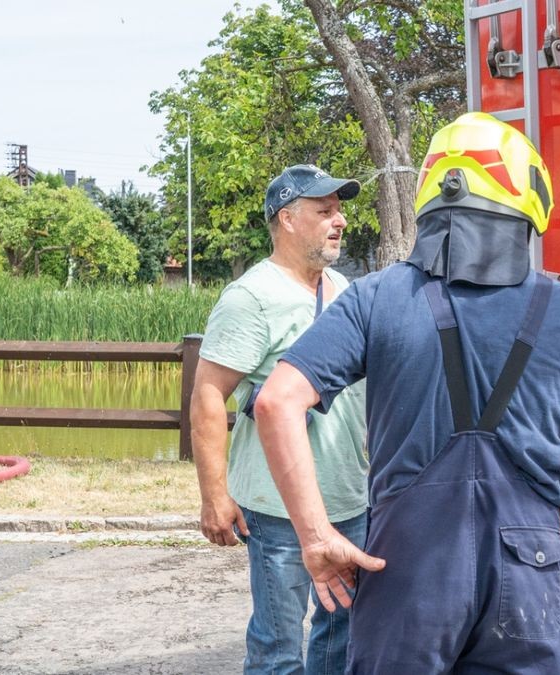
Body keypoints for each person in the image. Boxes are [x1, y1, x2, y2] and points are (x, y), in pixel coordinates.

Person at [253, 113, 560, 673]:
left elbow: (275, 401)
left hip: (405, 567)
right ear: (527, 197)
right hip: (525, 573)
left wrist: (316, 536)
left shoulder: (373, 298)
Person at [189, 164, 369, 675]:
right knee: (278, 649)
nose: (339, 221)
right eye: (324, 211)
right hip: (276, 509)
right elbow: (207, 399)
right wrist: (215, 496)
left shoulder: (344, 290)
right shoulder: (250, 298)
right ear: (287, 219)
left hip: (349, 499)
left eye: (339, 211)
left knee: (342, 636)